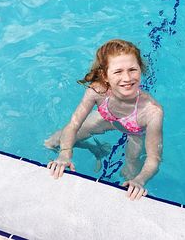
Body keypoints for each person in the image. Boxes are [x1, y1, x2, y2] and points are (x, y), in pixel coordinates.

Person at [45, 39, 163, 200]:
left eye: (133, 70)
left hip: (134, 130)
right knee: (52, 142)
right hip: (105, 118)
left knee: (129, 176)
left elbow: (153, 157)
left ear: (140, 70)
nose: (127, 78)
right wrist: (65, 154)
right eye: (118, 71)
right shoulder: (97, 90)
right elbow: (73, 125)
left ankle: (128, 172)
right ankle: (93, 148)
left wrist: (139, 181)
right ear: (104, 76)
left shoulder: (152, 111)